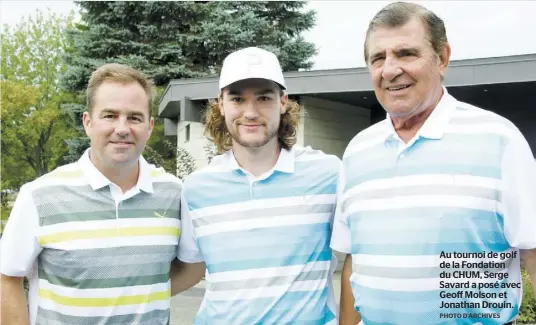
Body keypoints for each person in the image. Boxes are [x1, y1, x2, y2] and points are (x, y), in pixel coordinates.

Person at [330, 2, 536, 325]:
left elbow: (533, 253)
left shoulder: (500, 140)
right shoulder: (357, 152)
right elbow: (354, 263)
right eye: (378, 58)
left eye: (406, 53)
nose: (390, 70)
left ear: (442, 58)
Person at [0, 63, 192, 325]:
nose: (122, 128)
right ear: (88, 123)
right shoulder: (39, 196)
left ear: (149, 126)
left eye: (134, 117)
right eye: (110, 115)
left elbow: (192, 269)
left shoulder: (176, 194)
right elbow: (7, 277)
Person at [173, 47, 341, 324]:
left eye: (264, 98)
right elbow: (191, 270)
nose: (251, 112)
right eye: (237, 98)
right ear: (221, 104)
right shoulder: (196, 187)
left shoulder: (328, 173)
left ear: (283, 101)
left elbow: (363, 256)